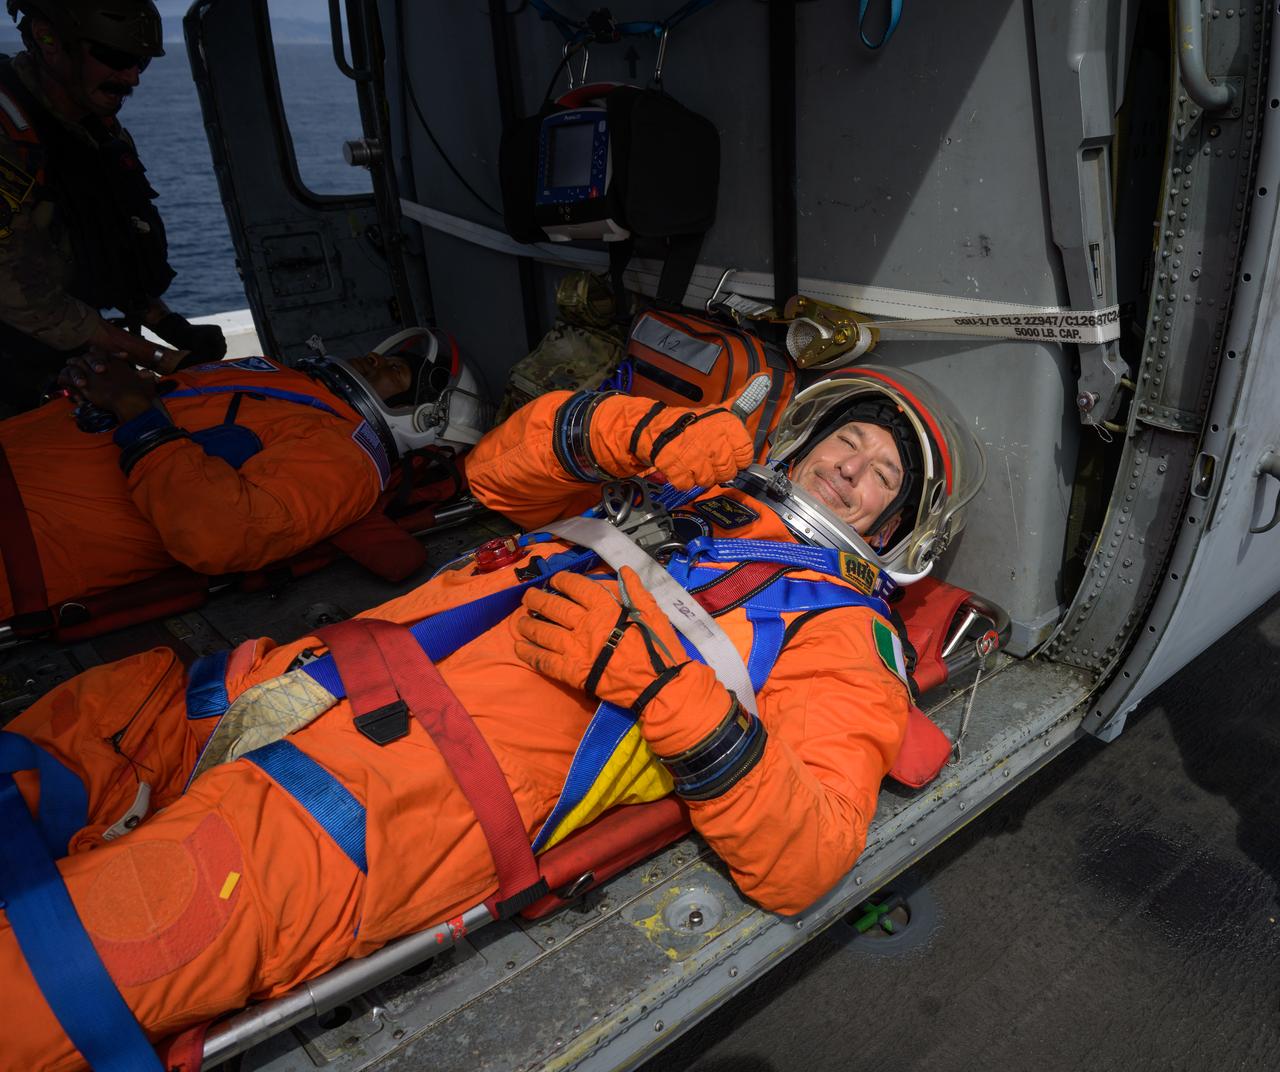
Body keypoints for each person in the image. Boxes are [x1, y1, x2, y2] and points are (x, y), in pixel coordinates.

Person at [0, 365, 985, 1071]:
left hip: (359, 814)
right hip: (277, 685)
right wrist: (636, 436)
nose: (848, 472)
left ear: (889, 530)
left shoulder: (841, 633)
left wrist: (656, 685)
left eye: (877, 480)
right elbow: (494, 479)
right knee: (60, 737)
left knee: (46, 969)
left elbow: (806, 853)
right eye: (843, 446)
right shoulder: (694, 485)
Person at [0, 326, 487, 628]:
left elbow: (225, 536)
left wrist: (135, 412)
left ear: (423, 420)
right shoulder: (280, 380)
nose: (375, 359)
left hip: (25, 535)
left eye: (396, 373)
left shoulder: (347, 459)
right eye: (385, 356)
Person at [0, 0, 225, 415]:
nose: (132, 77)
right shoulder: (9, 137)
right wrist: (162, 359)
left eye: (141, 61)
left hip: (65, 363)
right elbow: (21, 295)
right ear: (49, 40)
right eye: (118, 58)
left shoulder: (95, 132)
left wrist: (173, 328)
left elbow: (111, 247)